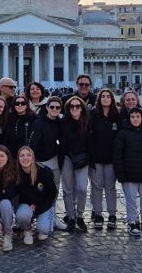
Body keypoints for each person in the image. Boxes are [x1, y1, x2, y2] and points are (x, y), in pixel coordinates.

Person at [113, 107, 142, 236]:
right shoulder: (122, 134)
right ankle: (132, 222)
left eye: (138, 116)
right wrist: (120, 174)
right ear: (129, 119)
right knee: (131, 200)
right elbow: (117, 155)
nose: (135, 119)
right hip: (129, 174)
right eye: (132, 116)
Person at [29, 96, 67, 231]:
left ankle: (52, 217)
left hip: (54, 160)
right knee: (38, 190)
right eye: (52, 107)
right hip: (40, 162)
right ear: (47, 108)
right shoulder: (39, 122)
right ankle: (34, 216)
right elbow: (32, 144)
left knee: (54, 191)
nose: (54, 109)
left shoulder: (60, 122)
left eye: (57, 107)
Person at [89, 89, 119, 230]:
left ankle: (112, 214)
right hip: (95, 157)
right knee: (96, 187)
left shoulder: (117, 115)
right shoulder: (92, 114)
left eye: (108, 96)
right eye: (103, 96)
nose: (106, 99)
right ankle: (98, 214)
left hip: (112, 158)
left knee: (110, 187)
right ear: (99, 99)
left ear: (112, 99)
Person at [15, 146, 58, 244]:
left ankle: (49, 219)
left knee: (43, 231)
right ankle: (27, 230)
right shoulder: (16, 174)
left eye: (28, 155)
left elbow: (54, 193)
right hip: (28, 205)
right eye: (22, 155)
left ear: (33, 157)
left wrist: (39, 207)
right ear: (18, 158)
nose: (25, 158)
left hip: (44, 205)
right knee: (21, 215)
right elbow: (13, 194)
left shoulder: (45, 171)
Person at [60, 96, 90, 232]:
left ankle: (80, 216)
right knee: (67, 189)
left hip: (83, 158)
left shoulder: (88, 122)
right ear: (68, 108)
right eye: (72, 106)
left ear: (82, 108)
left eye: (78, 106)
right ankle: (71, 217)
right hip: (67, 156)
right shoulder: (63, 122)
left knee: (82, 188)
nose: (75, 108)